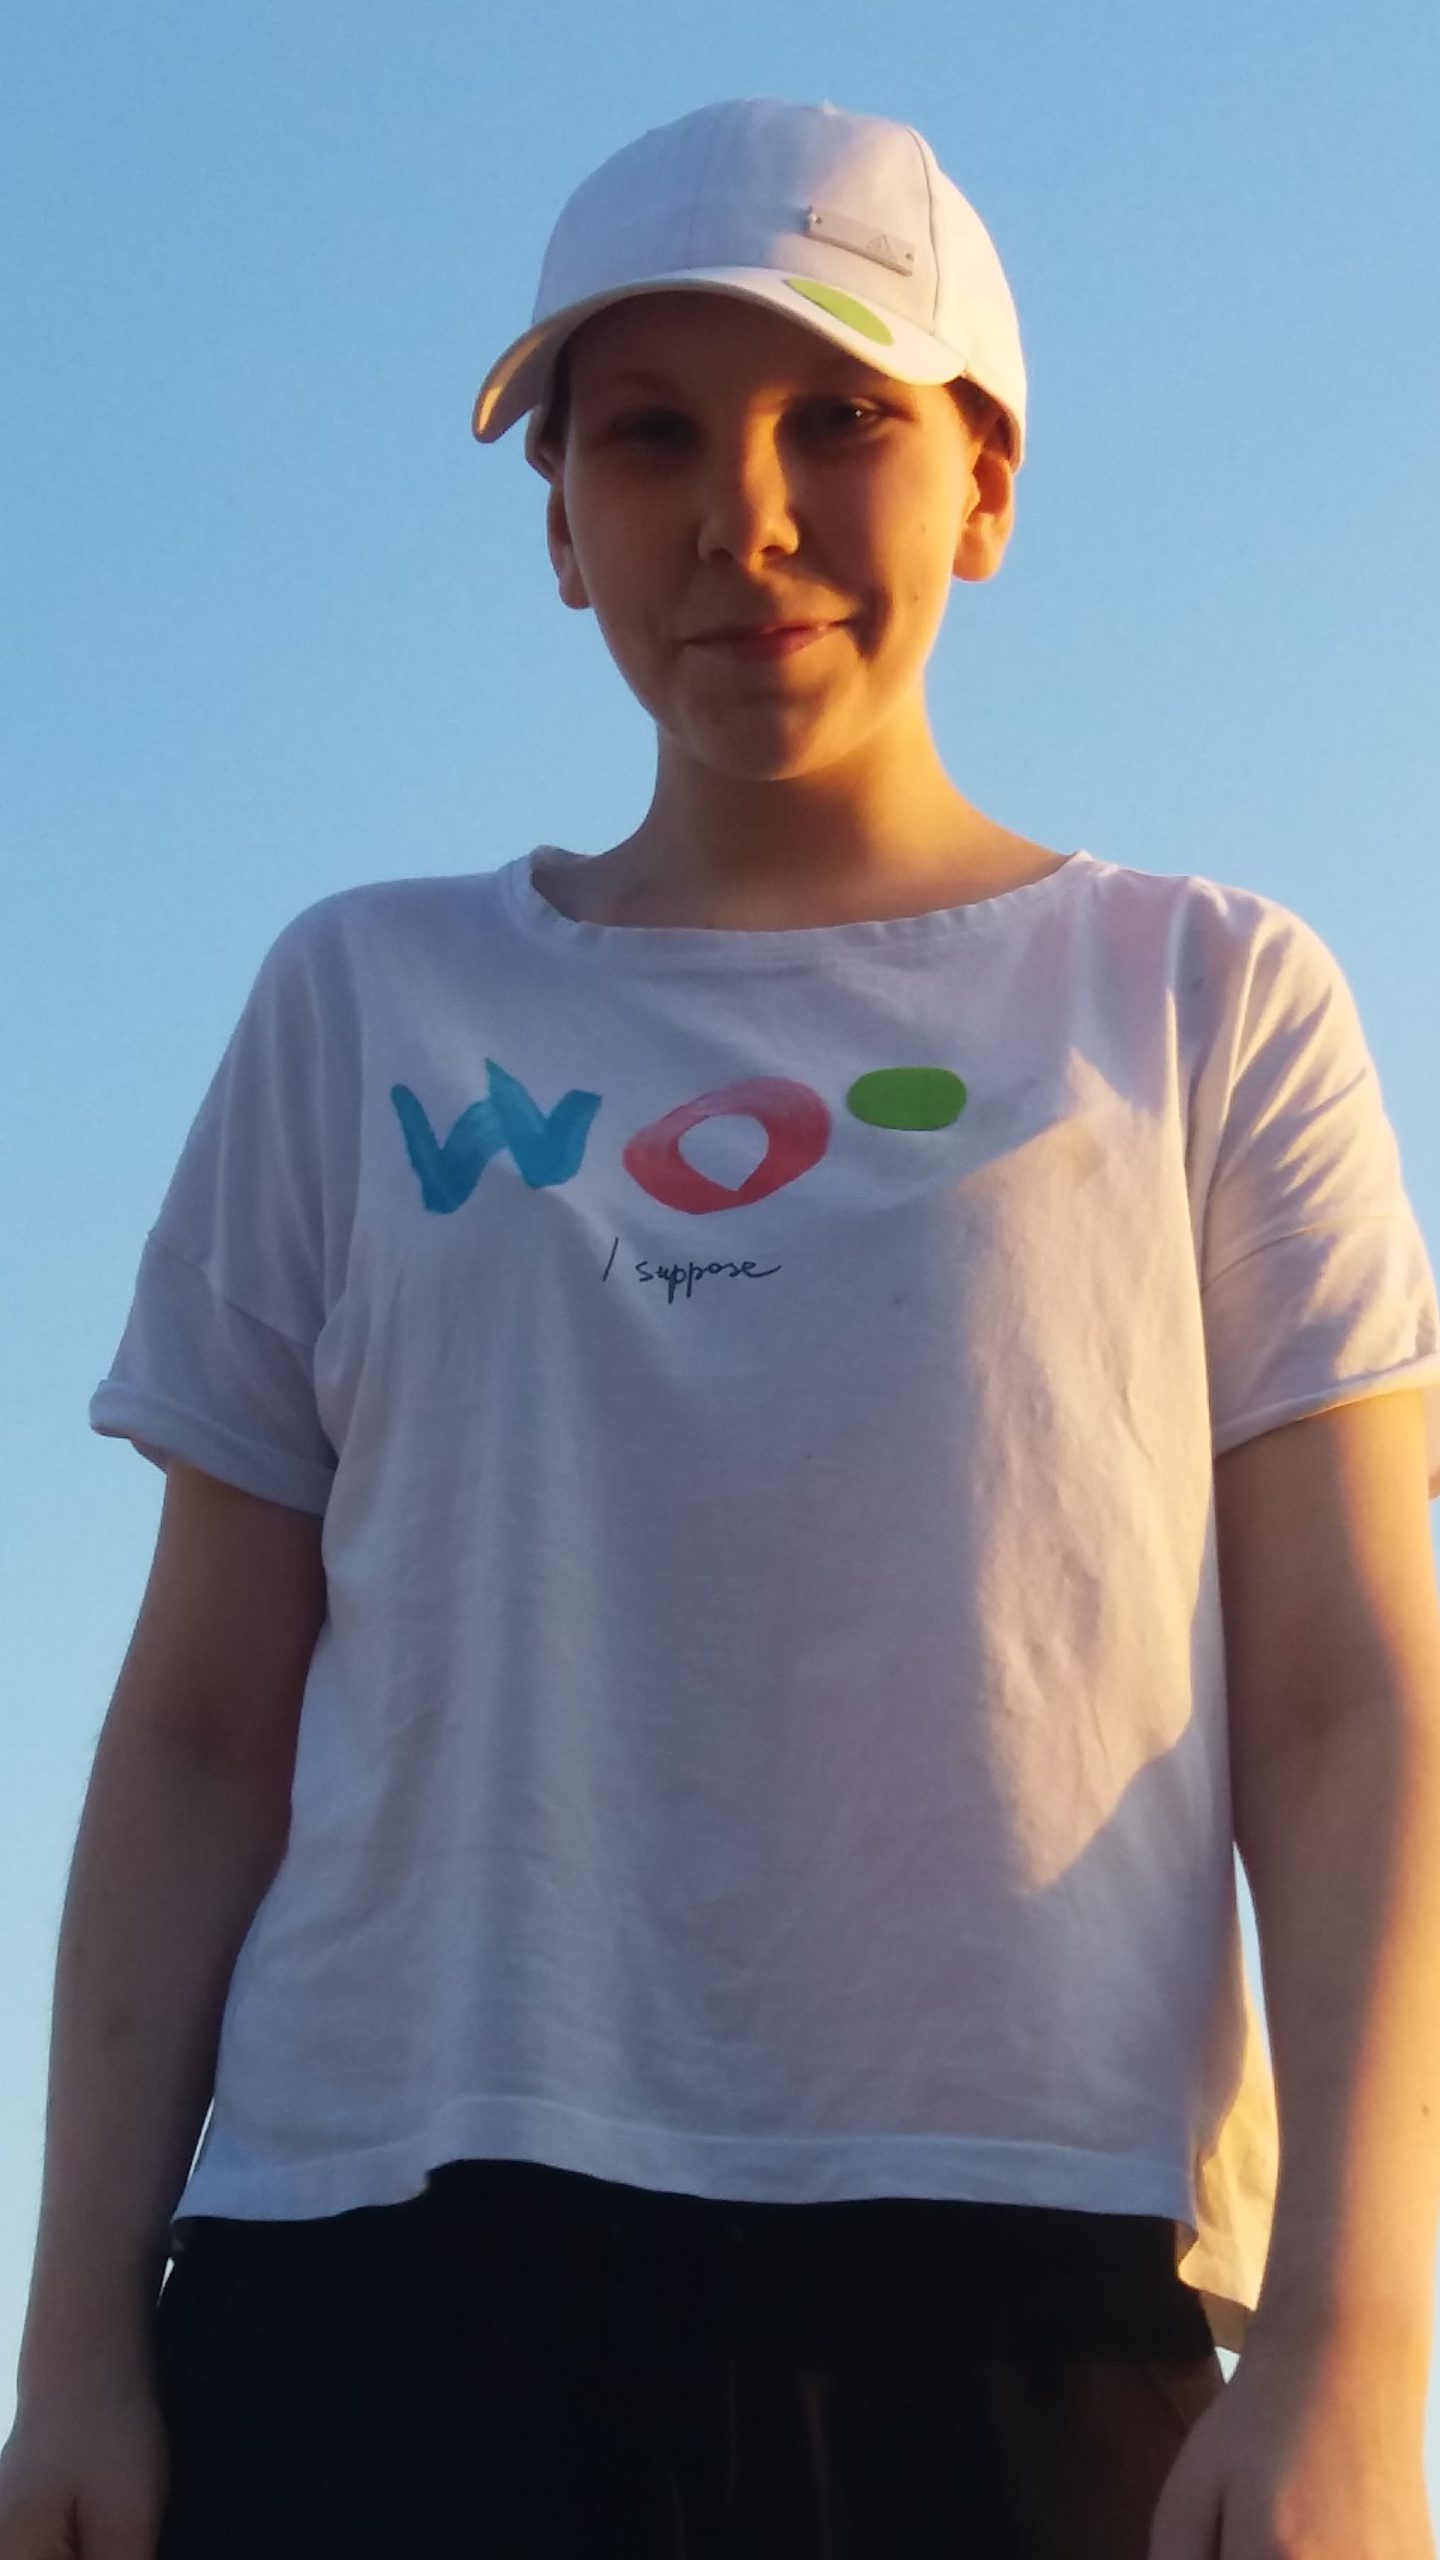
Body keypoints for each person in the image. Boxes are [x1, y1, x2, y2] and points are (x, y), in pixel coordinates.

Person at [3, 93, 1439, 2560]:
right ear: (561, 522)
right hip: (376, 2276)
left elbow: (1350, 1703)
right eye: (648, 434)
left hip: (1030, 2283)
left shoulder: (1203, 1001)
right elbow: (201, 1720)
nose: (742, 515)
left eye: (840, 418)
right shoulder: (364, 999)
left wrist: (1358, 2338)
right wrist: (72, 2345)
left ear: (986, 483)